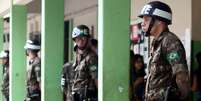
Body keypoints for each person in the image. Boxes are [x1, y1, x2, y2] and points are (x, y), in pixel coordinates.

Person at [138, 1, 190, 101]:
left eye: (147, 19)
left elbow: (182, 76)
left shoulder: (170, 41)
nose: (142, 23)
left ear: (159, 21)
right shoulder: (156, 43)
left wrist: (184, 97)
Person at [70, 25, 98, 101]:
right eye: (78, 38)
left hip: (88, 96)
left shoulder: (91, 57)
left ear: (88, 39)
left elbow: (97, 79)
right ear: (75, 40)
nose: (81, 41)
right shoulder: (78, 57)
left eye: (83, 38)